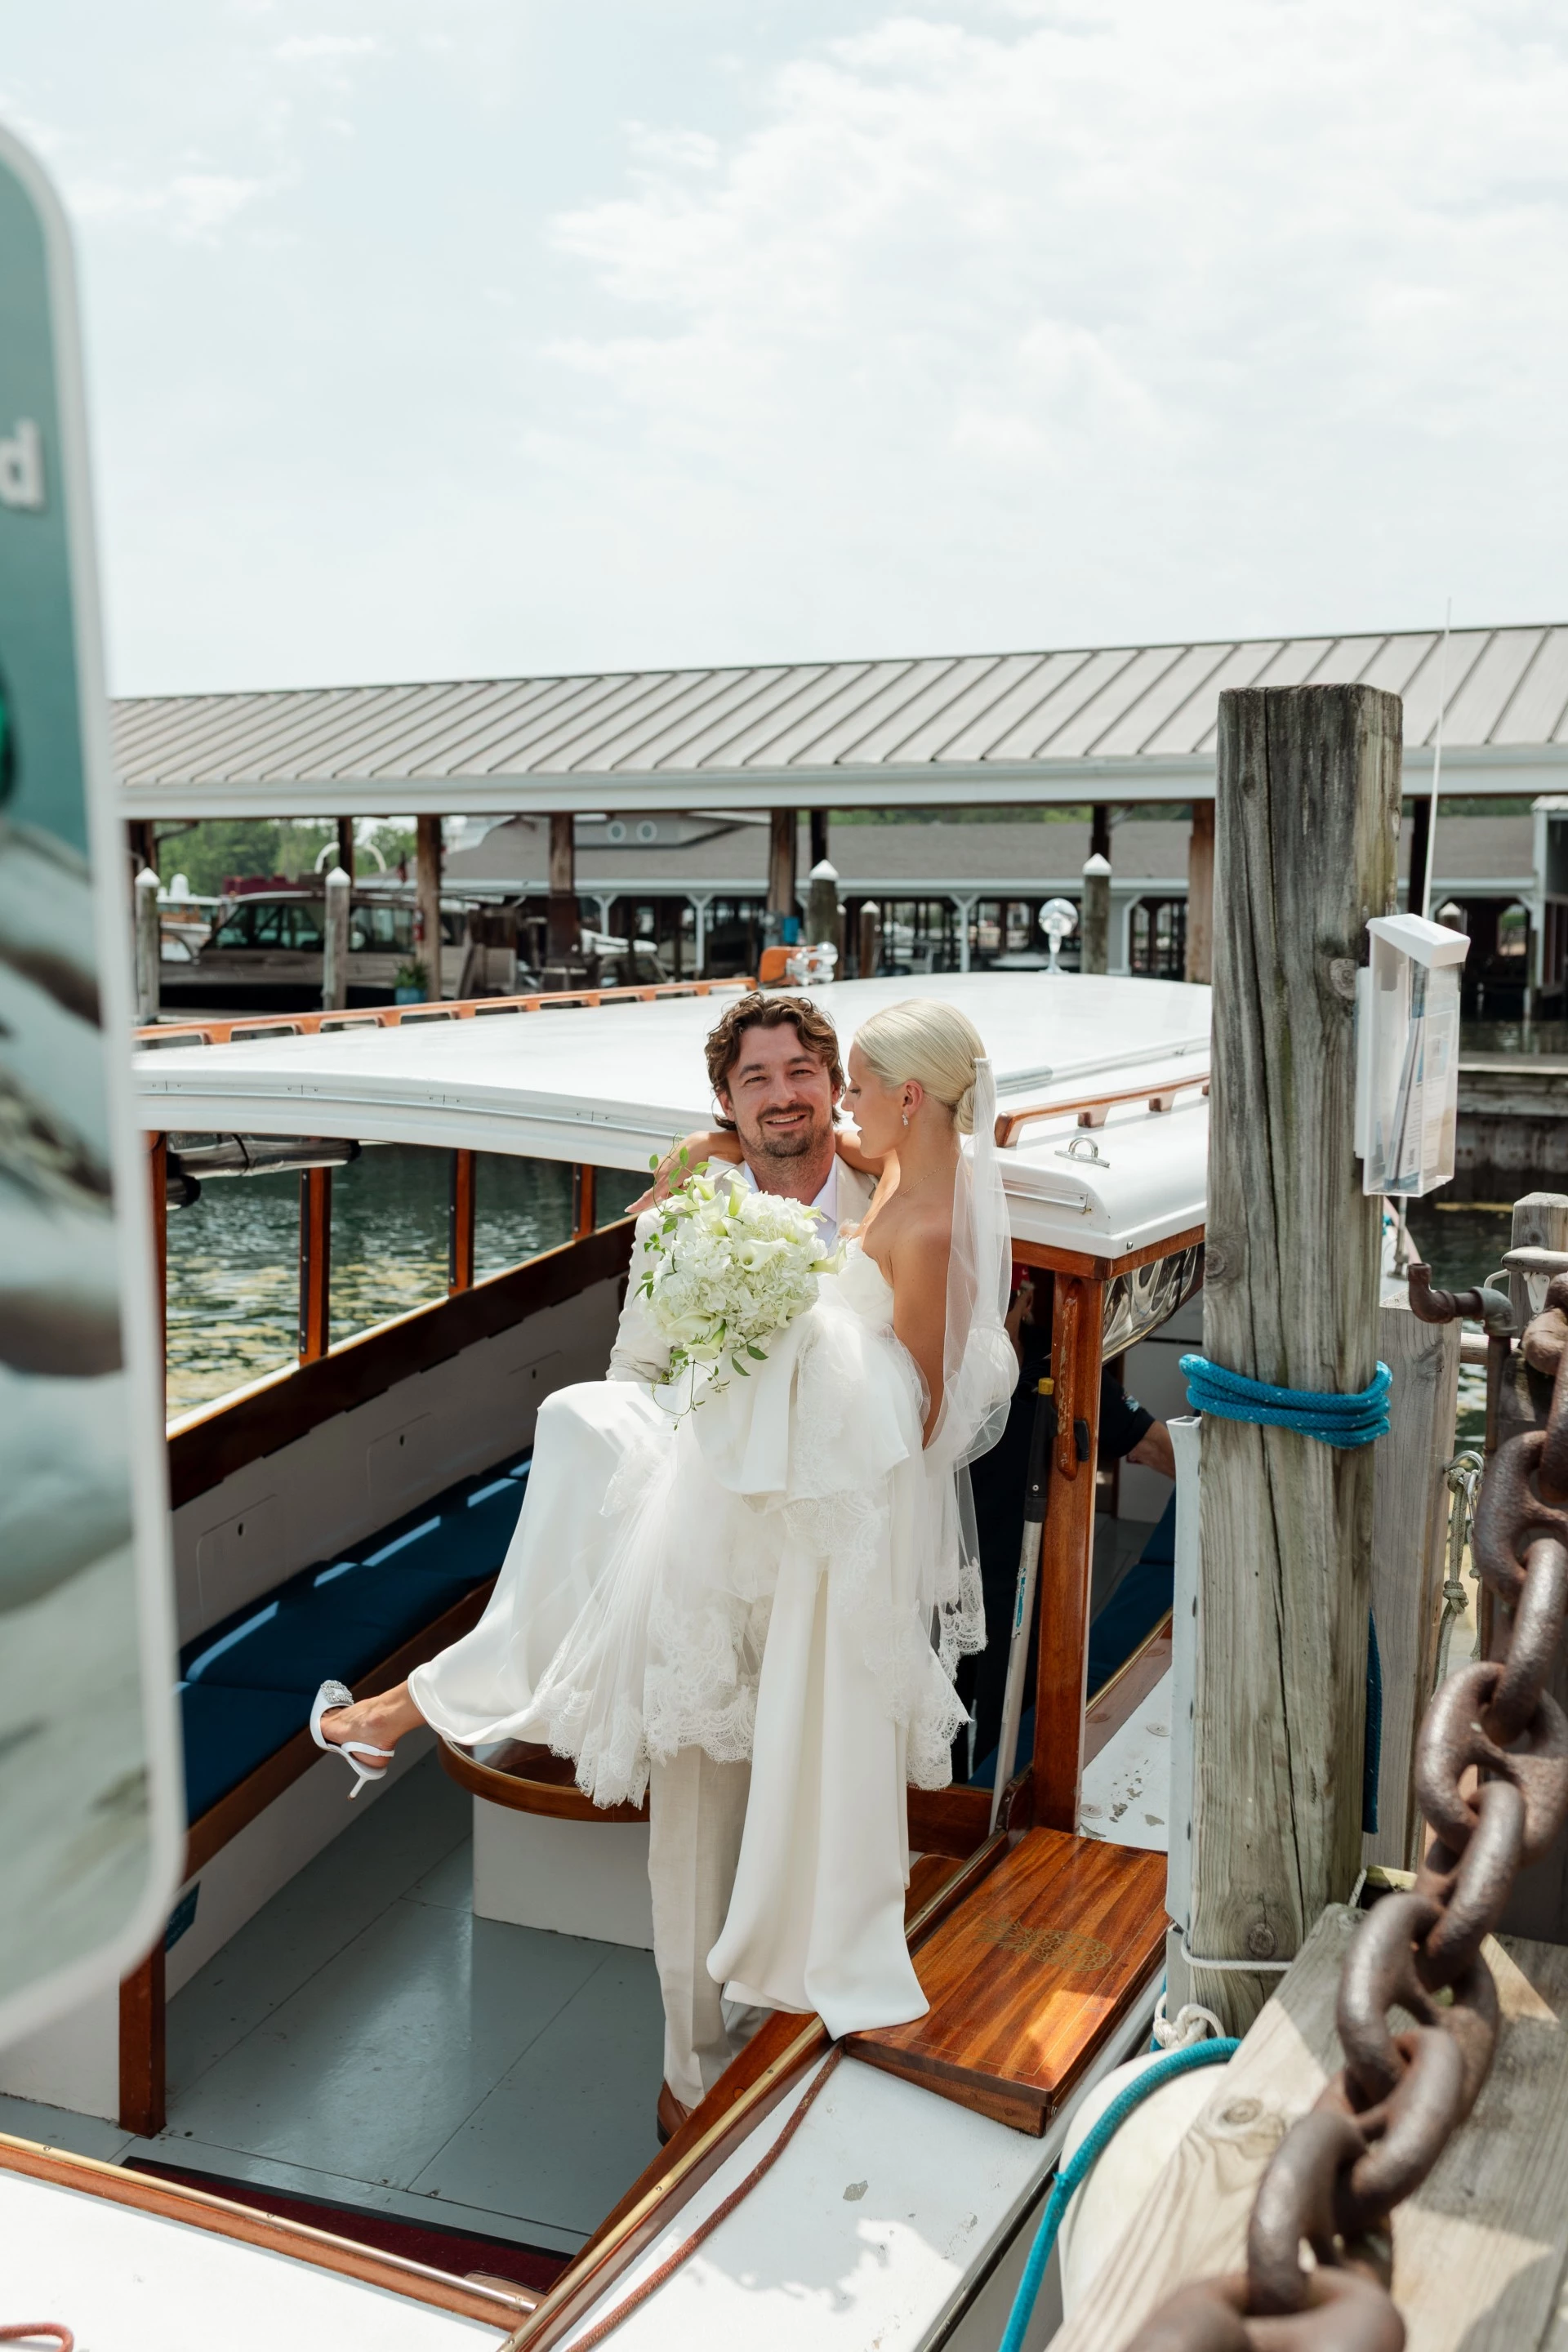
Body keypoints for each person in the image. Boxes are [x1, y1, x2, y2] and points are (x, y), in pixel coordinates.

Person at [315, 991, 1015, 2140]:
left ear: (844, 1085)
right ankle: (693, 2078)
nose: (781, 1094)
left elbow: (928, 1395)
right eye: (755, 1080)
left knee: (817, 1808)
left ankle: (421, 1706)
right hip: (709, 1551)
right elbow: (641, 1369)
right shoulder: (693, 1198)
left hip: (826, 1567)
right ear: (726, 1102)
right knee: (692, 1824)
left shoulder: (897, 1177)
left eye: (801, 1071)